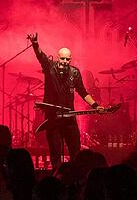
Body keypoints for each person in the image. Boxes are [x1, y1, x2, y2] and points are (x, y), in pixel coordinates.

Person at [26, 33, 103, 169]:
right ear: (57, 58)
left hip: (69, 117)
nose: (65, 62)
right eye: (63, 59)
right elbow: (40, 56)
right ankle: (57, 175)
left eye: (68, 59)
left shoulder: (75, 73)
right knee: (55, 151)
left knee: (75, 148)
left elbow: (83, 92)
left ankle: (76, 173)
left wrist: (95, 105)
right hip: (53, 118)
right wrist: (35, 44)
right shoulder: (50, 67)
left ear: (71, 60)